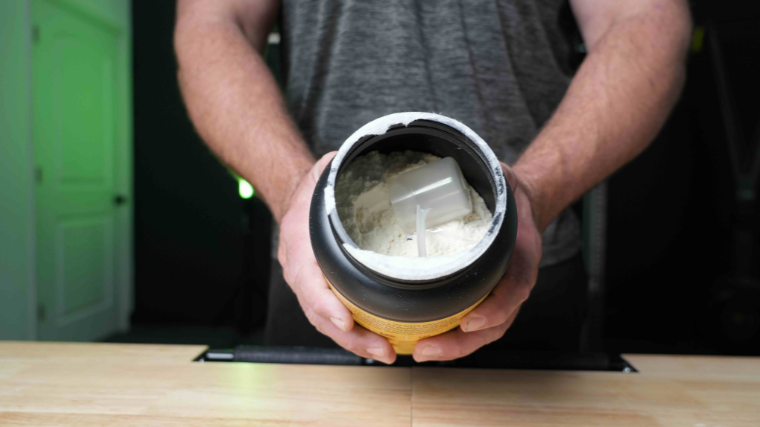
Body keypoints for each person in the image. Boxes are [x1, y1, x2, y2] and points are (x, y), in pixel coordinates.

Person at [175, 0, 692, 364]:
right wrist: (291, 189)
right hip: (318, 266)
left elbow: (645, 18)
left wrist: (534, 192)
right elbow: (215, 22)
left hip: (518, 263)